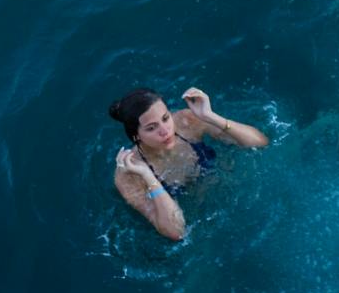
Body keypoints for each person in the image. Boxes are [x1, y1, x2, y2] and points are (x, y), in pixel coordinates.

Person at [110, 86, 272, 240]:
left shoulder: (187, 121)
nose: (165, 131)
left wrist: (210, 116)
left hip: (237, 196)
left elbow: (260, 143)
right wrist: (148, 176)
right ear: (136, 136)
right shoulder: (128, 175)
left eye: (166, 118)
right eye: (152, 128)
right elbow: (177, 232)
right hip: (203, 225)